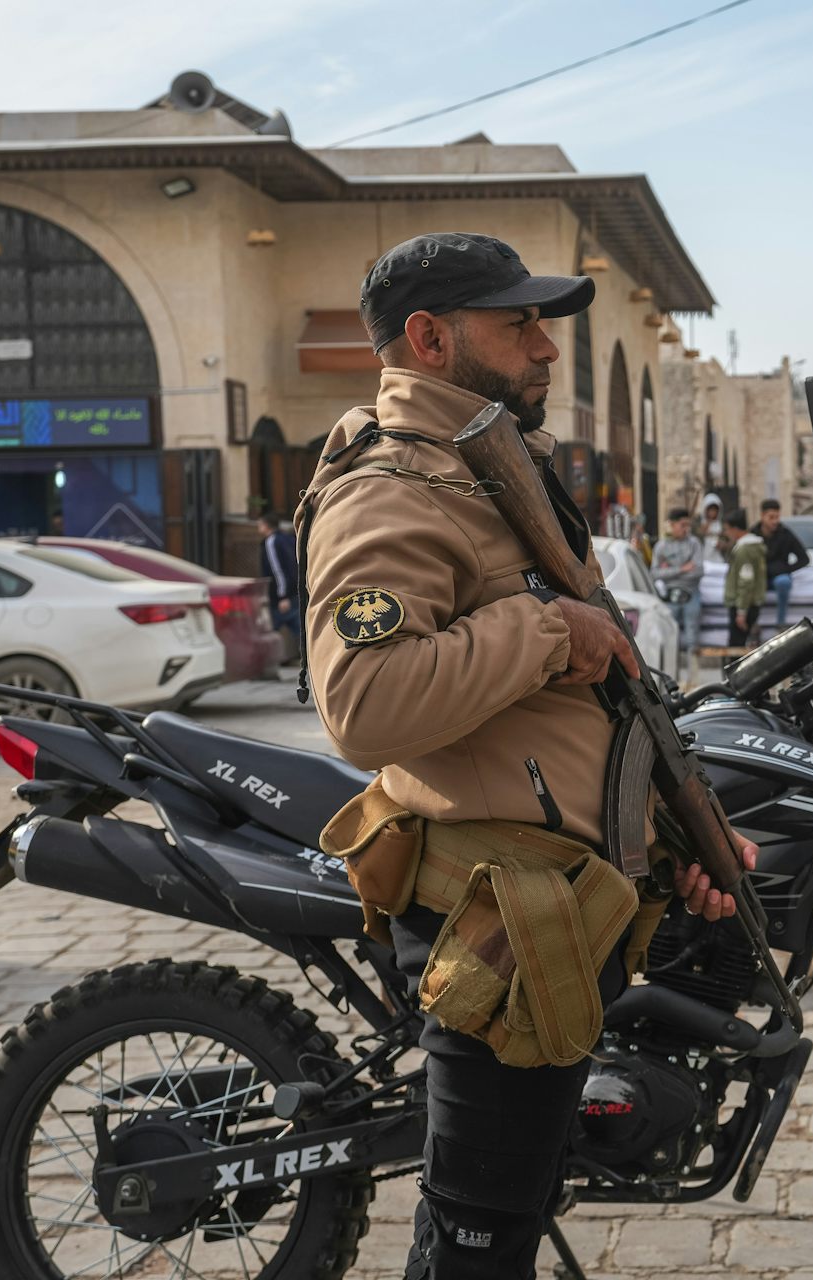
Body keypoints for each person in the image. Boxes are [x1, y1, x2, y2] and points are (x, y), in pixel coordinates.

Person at [300, 231, 754, 1279]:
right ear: (429, 336)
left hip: (558, 903)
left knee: (504, 1211)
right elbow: (362, 703)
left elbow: (573, 715)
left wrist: (676, 832)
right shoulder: (394, 485)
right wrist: (552, 630)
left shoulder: (487, 469)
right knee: (479, 1240)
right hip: (496, 920)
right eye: (517, 324)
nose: (546, 345)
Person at [652, 507, 705, 661]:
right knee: (669, 634)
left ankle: (692, 675)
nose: (686, 529)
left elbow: (699, 571)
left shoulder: (694, 544)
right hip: (670, 594)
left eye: (688, 525)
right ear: (672, 525)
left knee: (692, 636)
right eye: (682, 525)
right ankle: (670, 669)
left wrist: (669, 570)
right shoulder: (661, 547)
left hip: (691, 592)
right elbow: (655, 573)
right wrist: (682, 569)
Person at [752, 499, 810, 633]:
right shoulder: (753, 534)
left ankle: (781, 623)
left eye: (777, 517)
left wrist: (785, 570)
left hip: (778, 577)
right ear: (762, 516)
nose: (774, 521)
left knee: (783, 581)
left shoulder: (785, 534)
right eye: (771, 517)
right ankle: (753, 624)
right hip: (759, 578)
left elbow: (804, 559)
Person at [256, 510, 302, 659]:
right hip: (295, 590)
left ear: (266, 526)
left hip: (282, 595)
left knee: (270, 628)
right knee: (300, 629)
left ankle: (265, 664)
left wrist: (283, 595)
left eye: (260, 525)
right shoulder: (288, 538)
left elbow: (278, 570)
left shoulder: (272, 542)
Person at [724, 509, 767, 648]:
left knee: (736, 647)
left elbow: (746, 581)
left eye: (728, 529)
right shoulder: (753, 547)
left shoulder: (744, 550)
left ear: (735, 529)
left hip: (743, 605)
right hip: (750, 603)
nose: (727, 534)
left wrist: (741, 612)